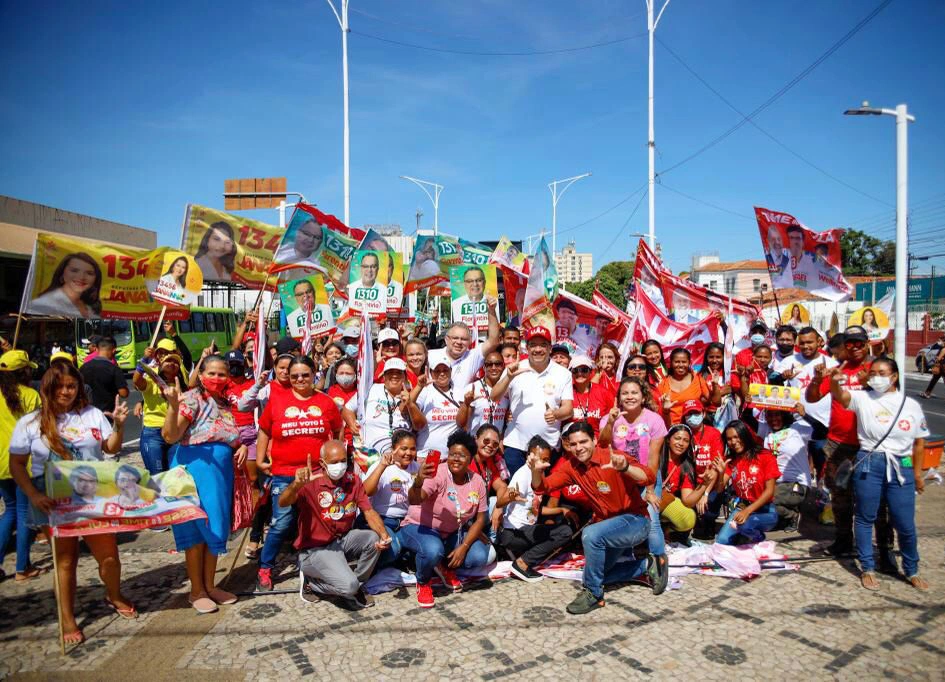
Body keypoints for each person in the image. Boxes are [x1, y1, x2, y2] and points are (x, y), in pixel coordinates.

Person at [9, 362, 133, 644]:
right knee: (65, 561)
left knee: (110, 557)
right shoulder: (30, 423)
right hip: (54, 500)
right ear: (48, 387)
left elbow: (110, 448)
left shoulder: (91, 415)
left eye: (71, 386)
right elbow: (16, 464)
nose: (66, 391)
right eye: (60, 386)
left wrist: (120, 426)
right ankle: (67, 618)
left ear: (79, 387)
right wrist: (33, 494)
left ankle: (113, 594)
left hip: (93, 496)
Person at [529, 422, 661, 614]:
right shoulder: (571, 467)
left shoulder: (612, 457)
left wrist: (625, 468)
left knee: (590, 535)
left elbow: (648, 477)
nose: (579, 447)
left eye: (584, 441)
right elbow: (544, 487)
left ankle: (594, 595)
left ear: (594, 440)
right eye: (574, 444)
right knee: (595, 575)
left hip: (635, 522)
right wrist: (536, 472)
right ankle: (647, 564)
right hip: (608, 529)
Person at [829, 358, 930, 591]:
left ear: (894, 376)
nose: (875, 377)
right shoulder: (862, 397)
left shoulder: (910, 404)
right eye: (872, 373)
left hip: (900, 464)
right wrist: (834, 382)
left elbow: (919, 443)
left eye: (881, 373)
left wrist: (917, 474)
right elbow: (841, 397)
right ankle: (867, 567)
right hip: (869, 462)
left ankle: (912, 569)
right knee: (865, 517)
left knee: (904, 522)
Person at [161, 355, 248, 614]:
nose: (217, 378)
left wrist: (240, 445)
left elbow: (226, 434)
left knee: (214, 529)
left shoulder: (223, 402)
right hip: (194, 472)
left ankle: (210, 586)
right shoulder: (190, 399)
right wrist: (173, 407)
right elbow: (171, 435)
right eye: (212, 373)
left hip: (219, 475)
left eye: (222, 374)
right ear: (200, 374)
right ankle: (196, 590)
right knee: (196, 531)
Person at [254, 356, 343, 591]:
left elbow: (338, 429)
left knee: (318, 522)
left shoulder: (326, 402)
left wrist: (336, 458)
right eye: (294, 376)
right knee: (281, 523)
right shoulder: (277, 401)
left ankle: (317, 567)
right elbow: (264, 430)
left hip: (317, 473)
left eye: (305, 374)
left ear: (315, 374)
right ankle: (265, 567)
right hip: (285, 473)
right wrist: (261, 458)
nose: (300, 379)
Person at [283, 440, 392, 609]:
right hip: (316, 549)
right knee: (348, 586)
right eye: (334, 462)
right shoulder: (310, 481)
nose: (340, 466)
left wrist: (384, 536)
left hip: (341, 541)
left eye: (343, 461)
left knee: (373, 538)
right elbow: (283, 502)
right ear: (322, 463)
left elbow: (368, 511)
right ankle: (313, 584)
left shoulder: (352, 480)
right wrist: (296, 485)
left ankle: (357, 585)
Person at [399, 430, 495, 609]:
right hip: (419, 527)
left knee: (480, 555)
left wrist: (464, 547)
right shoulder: (437, 473)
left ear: (471, 459)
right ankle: (424, 581)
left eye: (462, 455)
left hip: (451, 532)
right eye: (452, 454)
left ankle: (444, 565)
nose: (456, 459)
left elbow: (481, 518)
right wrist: (419, 480)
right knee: (433, 549)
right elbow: (414, 499)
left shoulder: (477, 481)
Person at [806, 325, 871, 555]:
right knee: (840, 496)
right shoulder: (836, 370)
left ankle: (881, 548)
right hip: (838, 444)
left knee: (873, 498)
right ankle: (843, 540)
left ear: (867, 343)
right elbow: (811, 398)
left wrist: (869, 383)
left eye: (859, 343)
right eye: (849, 343)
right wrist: (816, 380)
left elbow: (892, 399)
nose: (853, 348)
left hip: (870, 446)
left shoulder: (878, 369)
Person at [598, 377, 667, 567]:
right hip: (620, 479)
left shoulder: (654, 420)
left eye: (634, 392)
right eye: (625, 393)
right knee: (619, 520)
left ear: (643, 397)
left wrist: (651, 490)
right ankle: (616, 562)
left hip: (647, 476)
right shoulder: (609, 418)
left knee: (651, 519)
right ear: (619, 397)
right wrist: (611, 422)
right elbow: (602, 444)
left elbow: (654, 458)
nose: (630, 397)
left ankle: (659, 564)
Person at [491, 326, 574, 475]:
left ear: (550, 348)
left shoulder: (563, 374)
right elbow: (494, 396)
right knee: (516, 494)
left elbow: (568, 409)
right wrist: (509, 376)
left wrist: (556, 413)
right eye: (533, 345)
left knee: (541, 493)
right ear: (526, 348)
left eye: (542, 345)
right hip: (516, 446)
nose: (537, 349)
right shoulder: (514, 368)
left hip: (548, 446)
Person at [499, 435, 573, 583]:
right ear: (529, 456)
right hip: (514, 533)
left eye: (547, 460)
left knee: (562, 527)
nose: (545, 463)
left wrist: (561, 510)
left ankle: (525, 558)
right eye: (541, 459)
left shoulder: (538, 474)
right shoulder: (523, 474)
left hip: (527, 528)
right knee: (564, 533)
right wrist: (511, 496)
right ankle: (522, 563)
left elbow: (534, 509)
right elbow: (501, 501)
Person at [0, 350, 42, 581]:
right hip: (23, 462)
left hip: (1, 463)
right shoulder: (30, 395)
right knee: (25, 514)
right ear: (23, 371)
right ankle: (22, 567)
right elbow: (39, 430)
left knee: (10, 511)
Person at [713, 420, 780, 545]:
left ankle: (758, 538)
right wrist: (721, 473)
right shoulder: (731, 460)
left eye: (736, 437)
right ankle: (745, 537)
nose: (733, 442)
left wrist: (747, 511)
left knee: (745, 525)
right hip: (741, 507)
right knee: (722, 541)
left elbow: (770, 491)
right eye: (729, 439)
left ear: (745, 435)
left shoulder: (766, 456)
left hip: (765, 510)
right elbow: (719, 490)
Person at [360, 429, 419, 568]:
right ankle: (373, 568)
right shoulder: (381, 466)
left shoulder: (417, 468)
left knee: (419, 548)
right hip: (382, 520)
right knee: (394, 550)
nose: (408, 453)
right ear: (393, 449)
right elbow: (365, 491)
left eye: (412, 449)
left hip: (405, 521)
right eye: (403, 448)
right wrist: (382, 466)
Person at [342, 359, 423, 454]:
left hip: (401, 456)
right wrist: (352, 424)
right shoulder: (371, 389)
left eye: (398, 372)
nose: (394, 375)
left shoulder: (410, 395)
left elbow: (419, 426)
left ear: (405, 377)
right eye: (390, 372)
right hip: (369, 455)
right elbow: (348, 409)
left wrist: (410, 404)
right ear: (384, 376)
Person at [659, 424, 718, 543]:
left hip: (664, 503)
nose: (681, 443)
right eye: (677, 438)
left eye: (686, 440)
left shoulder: (686, 466)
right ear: (668, 439)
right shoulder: (656, 456)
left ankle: (664, 528)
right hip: (646, 501)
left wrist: (704, 485)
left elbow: (688, 501)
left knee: (689, 517)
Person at [134, 347, 186, 478]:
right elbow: (136, 381)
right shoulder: (152, 381)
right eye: (168, 361)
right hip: (153, 434)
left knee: (176, 474)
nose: (172, 364)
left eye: (176, 363)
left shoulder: (181, 386)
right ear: (160, 365)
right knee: (158, 477)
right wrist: (144, 360)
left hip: (175, 434)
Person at [427, 299, 501, 388]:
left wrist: (491, 310)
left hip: (461, 402)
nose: (459, 342)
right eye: (455, 338)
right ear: (446, 339)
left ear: (470, 341)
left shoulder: (473, 357)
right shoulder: (430, 355)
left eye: (463, 339)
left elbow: (493, 341)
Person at [763, 408, 814, 532]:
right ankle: (783, 514)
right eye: (770, 415)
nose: (773, 419)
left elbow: (822, 430)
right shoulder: (767, 433)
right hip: (778, 484)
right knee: (756, 498)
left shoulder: (797, 429)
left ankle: (792, 515)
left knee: (766, 500)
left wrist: (805, 415)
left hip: (797, 485)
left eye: (777, 415)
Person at [680, 400, 725, 537]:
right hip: (689, 480)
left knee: (709, 504)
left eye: (696, 413)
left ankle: (707, 520)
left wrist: (704, 493)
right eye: (689, 414)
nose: (693, 417)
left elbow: (716, 466)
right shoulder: (683, 434)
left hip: (711, 480)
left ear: (704, 413)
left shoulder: (714, 433)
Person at [29, 252, 103, 319]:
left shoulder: (91, 305)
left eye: (89, 273)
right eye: (74, 270)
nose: (82, 277)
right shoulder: (43, 304)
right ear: (62, 273)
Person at [413, 358, 461, 455]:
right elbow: (408, 405)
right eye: (437, 371)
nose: (442, 373)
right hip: (426, 454)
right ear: (431, 372)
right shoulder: (425, 391)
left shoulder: (459, 392)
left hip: (452, 456)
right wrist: (419, 386)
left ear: (451, 371)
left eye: (445, 370)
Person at [658, 348, 717, 426]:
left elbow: (715, 402)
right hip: (673, 429)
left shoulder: (698, 380)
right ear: (671, 363)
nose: (681, 365)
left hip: (695, 427)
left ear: (689, 362)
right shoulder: (663, 383)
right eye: (677, 362)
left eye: (684, 362)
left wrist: (715, 386)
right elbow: (659, 411)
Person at [457, 350, 509, 436]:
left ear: (503, 366)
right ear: (484, 367)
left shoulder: (507, 389)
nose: (493, 367)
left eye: (498, 364)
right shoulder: (473, 388)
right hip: (476, 441)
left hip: (496, 442)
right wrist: (466, 404)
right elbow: (461, 424)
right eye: (489, 364)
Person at [80, 336, 129, 418]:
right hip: (108, 415)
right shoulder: (114, 369)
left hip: (87, 414)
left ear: (97, 349)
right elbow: (123, 393)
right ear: (114, 350)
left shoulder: (83, 367)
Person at [568, 354, 612, 437]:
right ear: (571, 373)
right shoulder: (566, 393)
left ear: (591, 372)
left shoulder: (604, 393)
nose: (580, 373)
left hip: (599, 444)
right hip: (575, 444)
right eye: (575, 370)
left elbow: (611, 421)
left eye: (584, 370)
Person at [920, 335, 945, 399]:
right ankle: (927, 393)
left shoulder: (943, 349)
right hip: (941, 368)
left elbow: (938, 359)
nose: (938, 342)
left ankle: (927, 393)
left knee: (933, 381)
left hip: (942, 368)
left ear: (943, 342)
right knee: (933, 380)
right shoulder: (942, 348)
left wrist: (937, 358)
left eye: (939, 341)